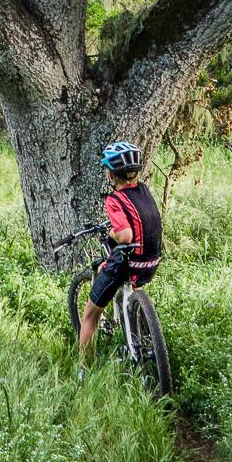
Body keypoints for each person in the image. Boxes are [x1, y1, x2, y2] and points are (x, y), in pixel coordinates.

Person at [78, 141, 163, 363]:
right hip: (150, 263)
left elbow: (125, 235)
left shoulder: (114, 200)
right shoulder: (144, 191)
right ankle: (139, 327)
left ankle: (83, 370)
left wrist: (114, 234)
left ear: (111, 174)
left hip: (128, 264)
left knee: (89, 314)